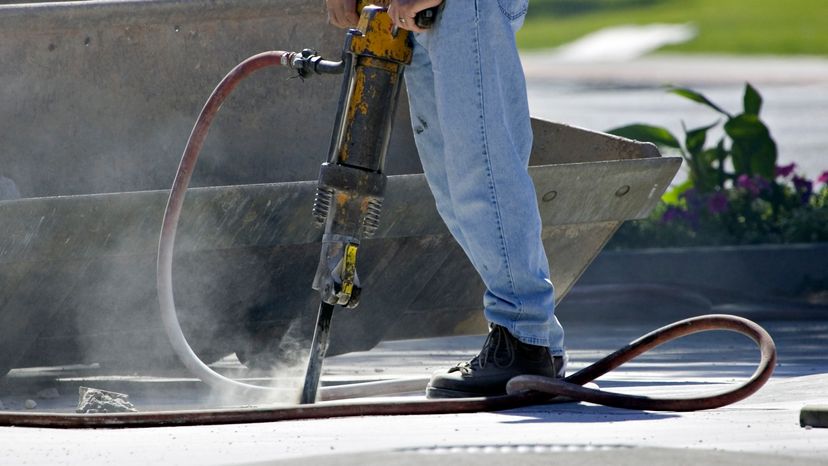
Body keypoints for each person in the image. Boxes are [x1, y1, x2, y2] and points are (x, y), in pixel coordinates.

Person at [325, 0, 566, 398]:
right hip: (410, 12)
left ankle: (527, 338)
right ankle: (532, 344)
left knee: (482, 171)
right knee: (453, 187)